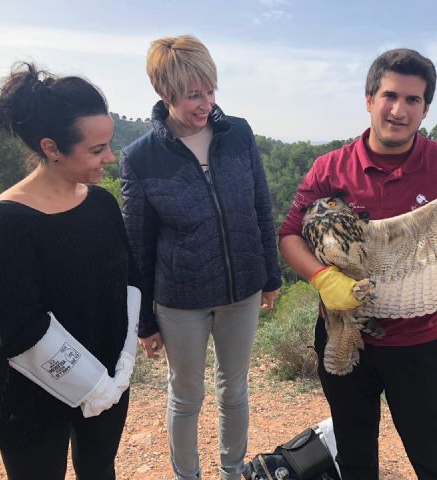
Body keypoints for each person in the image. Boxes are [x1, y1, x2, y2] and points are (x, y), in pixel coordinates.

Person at [279, 48, 437, 480]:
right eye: (389, 96)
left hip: (419, 342)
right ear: (369, 99)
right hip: (346, 331)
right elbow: (289, 234)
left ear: (425, 109)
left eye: (412, 100)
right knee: (356, 458)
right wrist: (322, 277)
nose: (398, 110)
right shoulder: (331, 168)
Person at [120, 35, 282, 480]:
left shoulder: (238, 134)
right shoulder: (141, 158)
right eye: (194, 95)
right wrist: (145, 322)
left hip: (242, 289)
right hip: (181, 300)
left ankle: (232, 472)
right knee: (186, 395)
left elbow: (260, 208)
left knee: (236, 390)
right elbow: (138, 244)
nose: (207, 103)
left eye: (210, 90)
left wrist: (271, 275)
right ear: (164, 93)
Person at [0, 62, 141, 480]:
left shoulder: (101, 205)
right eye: (97, 149)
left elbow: (127, 279)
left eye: (109, 144)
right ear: (51, 147)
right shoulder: (3, 225)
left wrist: (121, 364)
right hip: (31, 404)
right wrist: (92, 386)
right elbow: (18, 327)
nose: (110, 158)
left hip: (107, 384)